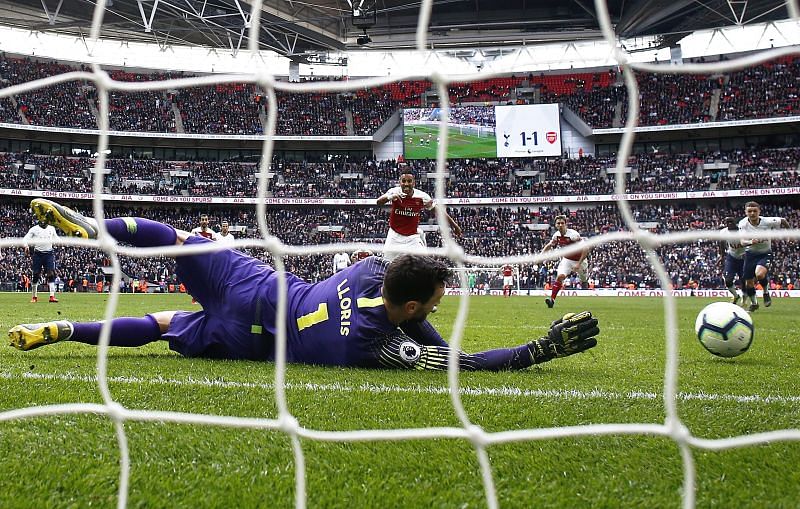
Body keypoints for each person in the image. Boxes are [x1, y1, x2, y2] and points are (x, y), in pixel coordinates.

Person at [8, 198, 600, 372]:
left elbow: (404, 295)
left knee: (178, 240)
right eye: (435, 302)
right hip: (253, 337)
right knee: (165, 325)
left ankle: (93, 229)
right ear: (415, 305)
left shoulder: (371, 268)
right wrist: (537, 350)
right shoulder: (380, 342)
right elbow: (462, 363)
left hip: (257, 282)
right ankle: (63, 330)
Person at [376, 170, 462, 261]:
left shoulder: (422, 197)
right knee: (386, 265)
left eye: (409, 181)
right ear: (399, 182)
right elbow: (378, 202)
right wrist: (390, 197)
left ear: (414, 183)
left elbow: (438, 211)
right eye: (403, 181)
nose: (406, 184)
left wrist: (454, 225)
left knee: (424, 264)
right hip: (394, 236)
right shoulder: (393, 192)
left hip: (412, 238)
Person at [737, 201, 790, 311]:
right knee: (749, 282)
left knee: (759, 274)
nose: (752, 213)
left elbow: (783, 221)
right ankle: (754, 303)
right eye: (749, 211)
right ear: (746, 212)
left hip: (765, 253)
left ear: (759, 211)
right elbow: (742, 242)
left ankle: (766, 292)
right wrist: (751, 241)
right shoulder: (743, 224)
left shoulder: (767, 221)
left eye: (755, 211)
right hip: (750, 254)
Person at [540, 215, 589, 308]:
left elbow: (586, 248)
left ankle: (584, 282)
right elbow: (550, 245)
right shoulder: (556, 235)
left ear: (566, 224)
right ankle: (552, 300)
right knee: (560, 277)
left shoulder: (573, 235)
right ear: (555, 225)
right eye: (558, 223)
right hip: (567, 259)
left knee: (584, 280)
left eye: (562, 223)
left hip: (580, 261)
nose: (560, 225)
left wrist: (578, 263)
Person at [22, 215, 60, 303]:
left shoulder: (51, 228)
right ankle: (34, 297)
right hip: (38, 254)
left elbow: (57, 238)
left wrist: (61, 241)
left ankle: (52, 296)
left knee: (50, 274)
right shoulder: (34, 229)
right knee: (36, 274)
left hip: (48, 254)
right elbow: (25, 239)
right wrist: (26, 246)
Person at [718, 216, 745, 305]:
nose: (729, 224)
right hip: (732, 257)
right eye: (727, 222)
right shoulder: (723, 232)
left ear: (735, 223)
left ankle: (744, 300)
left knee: (744, 281)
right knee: (728, 279)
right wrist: (722, 256)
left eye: (731, 222)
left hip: (744, 259)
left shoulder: (743, 231)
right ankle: (735, 295)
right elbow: (721, 243)